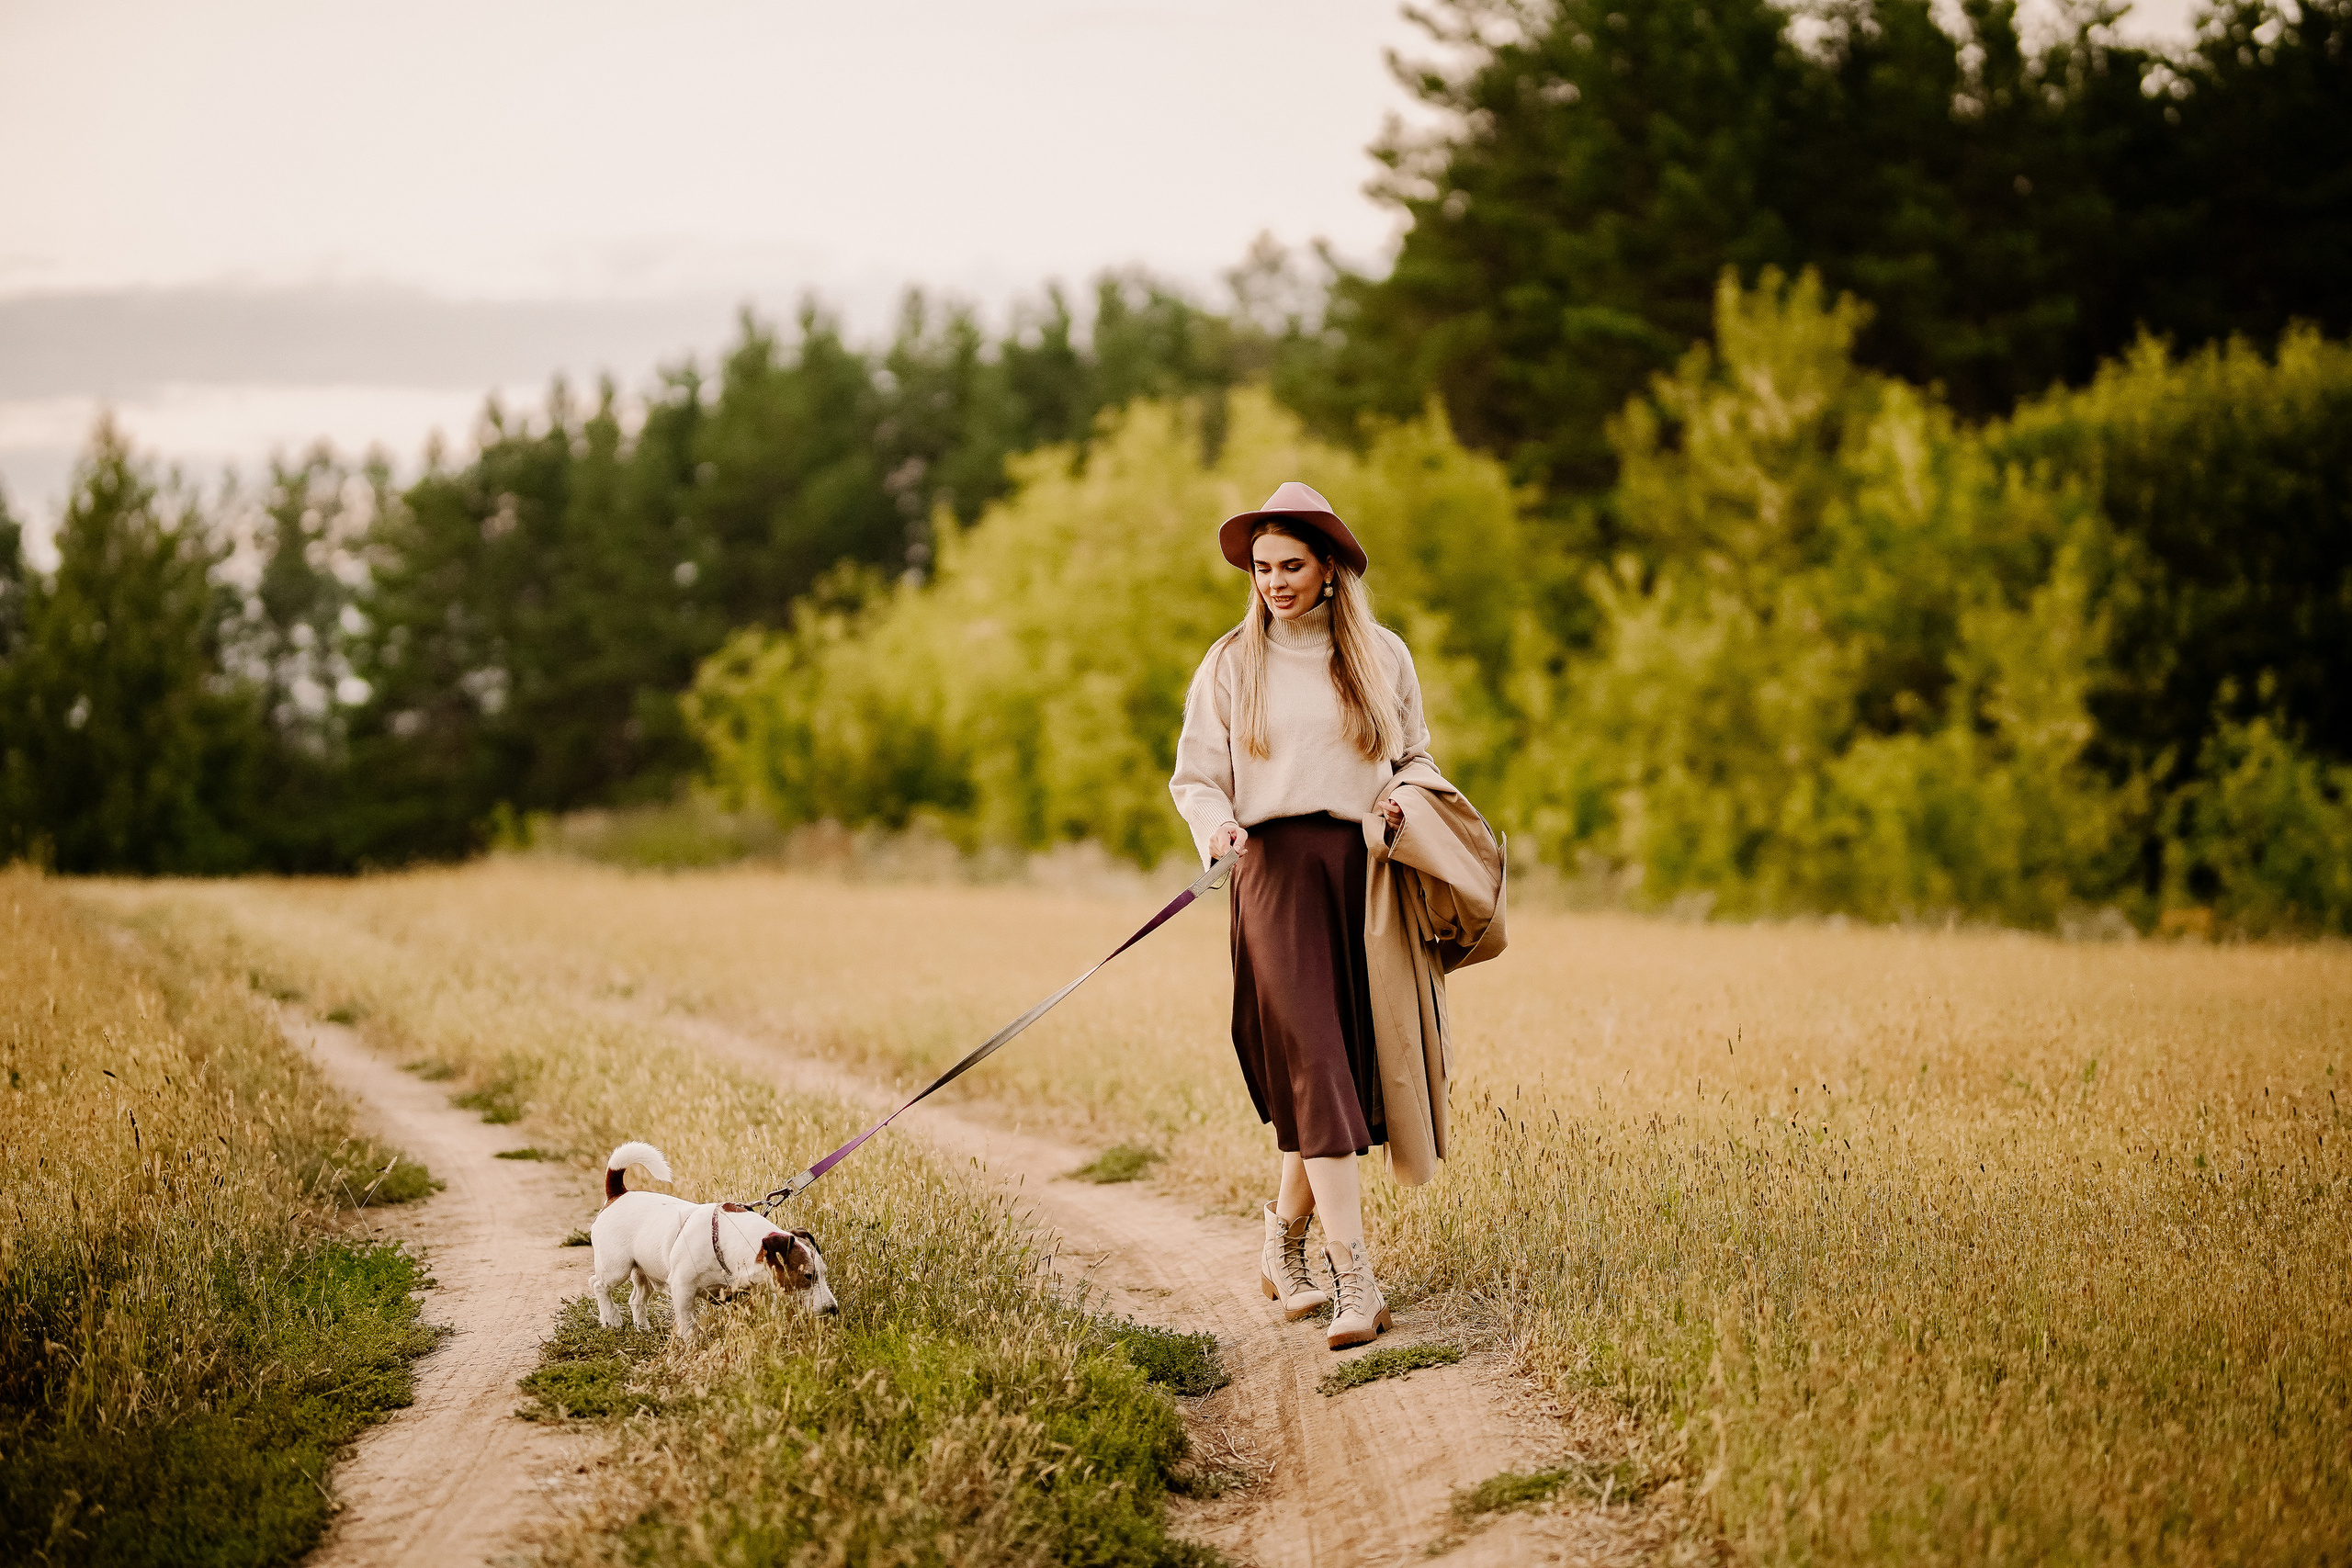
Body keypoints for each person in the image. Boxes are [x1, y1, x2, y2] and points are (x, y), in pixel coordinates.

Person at [1167, 480, 1437, 1351]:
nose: (1274, 582)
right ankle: (1354, 1275)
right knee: (1318, 1063)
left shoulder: (1380, 655)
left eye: (1290, 565)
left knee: (1344, 1071)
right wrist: (1217, 827)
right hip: (1271, 873)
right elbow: (1196, 776)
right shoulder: (1230, 663)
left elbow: (1415, 757)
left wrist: (1398, 797)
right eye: (1260, 567)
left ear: (1330, 569)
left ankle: (1281, 1246)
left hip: (1363, 875)